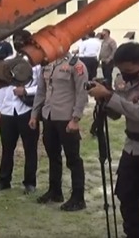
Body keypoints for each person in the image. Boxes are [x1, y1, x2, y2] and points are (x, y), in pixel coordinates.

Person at [86, 42, 139, 237]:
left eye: (129, 70)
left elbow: (138, 113)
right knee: (126, 193)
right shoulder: (128, 82)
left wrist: (109, 96)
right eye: (122, 70)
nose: (125, 75)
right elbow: (117, 114)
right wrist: (104, 98)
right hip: (132, 147)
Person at [29, 52, 89, 212]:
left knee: (73, 159)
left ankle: (78, 197)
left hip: (66, 117)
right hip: (49, 116)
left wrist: (76, 118)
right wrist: (34, 114)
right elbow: (41, 91)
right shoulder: (47, 64)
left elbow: (82, 93)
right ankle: (55, 191)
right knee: (53, 155)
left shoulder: (77, 65)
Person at [0, 30, 40, 195]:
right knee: (7, 148)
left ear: (29, 41)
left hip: (27, 110)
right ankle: (4, 180)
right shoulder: (7, 62)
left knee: (30, 149)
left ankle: (30, 182)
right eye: (15, 39)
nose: (18, 42)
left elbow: (42, 87)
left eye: (21, 39)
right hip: (8, 112)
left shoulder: (36, 64)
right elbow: (1, 87)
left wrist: (26, 91)